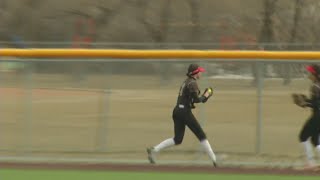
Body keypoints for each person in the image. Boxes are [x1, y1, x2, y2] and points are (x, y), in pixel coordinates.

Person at [147, 63, 217, 167]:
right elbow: (197, 100)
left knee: (177, 139)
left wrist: (204, 96)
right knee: (201, 135)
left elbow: (192, 98)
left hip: (177, 111)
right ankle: (215, 160)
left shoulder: (186, 82)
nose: (201, 73)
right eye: (199, 72)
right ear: (195, 73)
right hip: (184, 112)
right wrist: (206, 95)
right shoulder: (193, 83)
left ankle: (154, 150)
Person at [292, 64, 320, 169]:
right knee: (315, 140)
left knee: (303, 136)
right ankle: (311, 162)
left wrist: (305, 102)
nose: (309, 74)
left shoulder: (315, 86)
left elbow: (316, 104)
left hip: (318, 115)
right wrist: (307, 102)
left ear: (315, 74)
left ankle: (310, 163)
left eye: (311, 73)